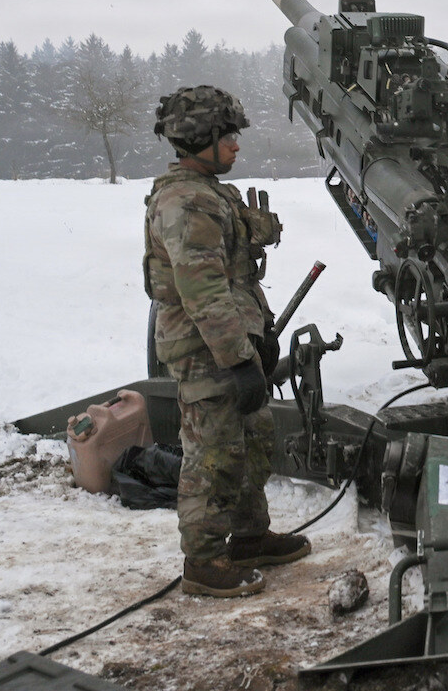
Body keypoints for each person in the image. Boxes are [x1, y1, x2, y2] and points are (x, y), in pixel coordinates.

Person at [144, 85, 310, 597]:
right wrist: (238, 360)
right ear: (200, 140)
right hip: (204, 351)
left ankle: (249, 538)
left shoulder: (212, 193)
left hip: (231, 342)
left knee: (252, 442)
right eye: (229, 136)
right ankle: (204, 562)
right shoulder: (186, 201)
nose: (237, 146)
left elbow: (235, 280)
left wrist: (257, 340)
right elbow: (203, 292)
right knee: (213, 454)